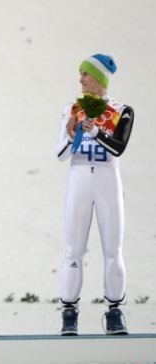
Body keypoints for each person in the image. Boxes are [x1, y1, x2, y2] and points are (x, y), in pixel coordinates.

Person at [55, 54, 134, 335]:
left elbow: (118, 147)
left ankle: (114, 312)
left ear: (98, 77)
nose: (80, 79)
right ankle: (69, 313)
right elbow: (61, 155)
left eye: (85, 74)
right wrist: (70, 132)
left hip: (107, 181)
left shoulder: (122, 110)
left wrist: (97, 131)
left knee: (113, 251)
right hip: (78, 179)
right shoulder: (72, 108)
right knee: (73, 250)